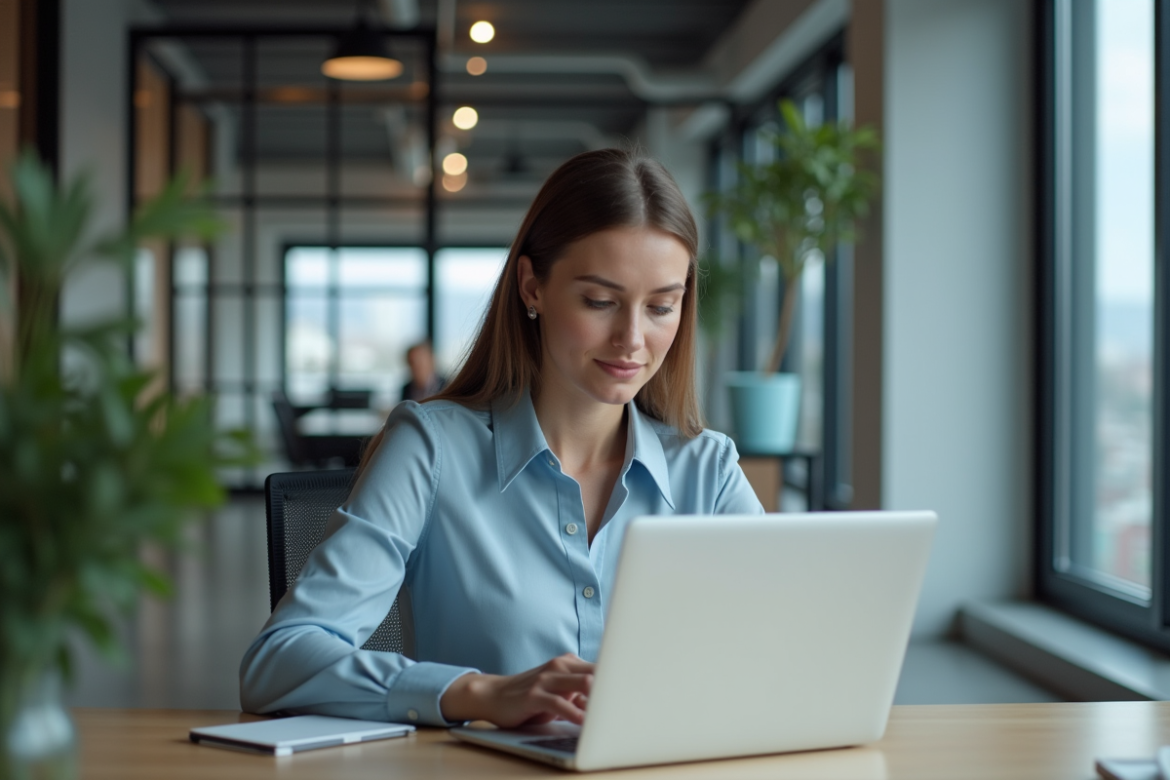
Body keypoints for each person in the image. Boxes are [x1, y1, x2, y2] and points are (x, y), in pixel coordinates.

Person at [240, 148, 763, 729]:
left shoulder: (709, 471)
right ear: (532, 287)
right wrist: (480, 693)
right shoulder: (431, 450)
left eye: (661, 307)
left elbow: (786, 656)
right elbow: (278, 662)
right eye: (600, 302)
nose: (632, 339)